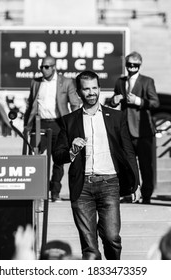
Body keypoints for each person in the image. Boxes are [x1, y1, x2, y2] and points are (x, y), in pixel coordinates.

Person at [53, 70, 139, 260]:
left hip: (109, 183)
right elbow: (57, 157)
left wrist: (136, 183)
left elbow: (128, 151)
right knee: (90, 249)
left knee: (112, 237)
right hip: (82, 187)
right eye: (86, 89)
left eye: (94, 88)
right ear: (78, 92)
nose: (91, 93)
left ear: (99, 89)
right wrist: (72, 151)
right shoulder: (69, 121)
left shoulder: (116, 117)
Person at [24, 56, 81, 202]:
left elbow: (75, 103)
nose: (43, 70)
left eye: (46, 67)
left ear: (54, 67)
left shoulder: (66, 82)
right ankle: (37, 190)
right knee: (34, 157)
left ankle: (54, 192)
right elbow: (30, 105)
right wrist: (27, 125)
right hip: (39, 123)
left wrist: (73, 122)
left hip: (59, 123)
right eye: (41, 67)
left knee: (58, 159)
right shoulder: (36, 83)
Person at [110, 51, 159, 204]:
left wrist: (138, 101)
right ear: (126, 65)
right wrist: (114, 100)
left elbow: (155, 103)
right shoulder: (120, 81)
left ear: (140, 66)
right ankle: (128, 192)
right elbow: (113, 101)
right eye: (129, 65)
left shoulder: (147, 81)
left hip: (142, 130)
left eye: (135, 65)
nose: (132, 68)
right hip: (125, 129)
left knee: (145, 165)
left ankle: (146, 195)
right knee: (125, 164)